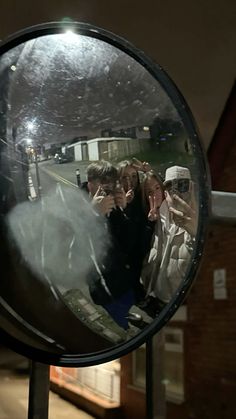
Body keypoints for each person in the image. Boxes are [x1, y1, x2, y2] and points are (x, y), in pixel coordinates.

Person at [82, 160, 146, 330]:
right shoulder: (78, 209)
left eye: (111, 183)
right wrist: (94, 215)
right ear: (90, 185)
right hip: (105, 291)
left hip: (126, 283)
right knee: (121, 330)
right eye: (103, 183)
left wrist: (125, 209)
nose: (107, 188)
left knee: (130, 320)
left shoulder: (113, 205)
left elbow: (129, 245)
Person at [140, 165, 197, 315]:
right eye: (170, 186)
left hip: (177, 299)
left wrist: (195, 231)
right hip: (156, 292)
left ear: (191, 187)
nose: (176, 191)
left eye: (182, 185)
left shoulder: (197, 218)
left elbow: (197, 253)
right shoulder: (158, 216)